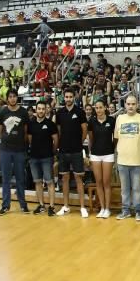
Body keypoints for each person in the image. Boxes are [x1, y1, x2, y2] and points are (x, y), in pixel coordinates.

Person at [114, 94, 140, 221]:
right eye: (128, 104)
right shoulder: (119, 118)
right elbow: (116, 138)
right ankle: (125, 211)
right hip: (122, 159)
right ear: (125, 105)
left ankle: (138, 211)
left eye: (133, 104)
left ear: (137, 105)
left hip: (138, 160)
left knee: (136, 188)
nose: (131, 106)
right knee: (124, 188)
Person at [56, 88, 89, 218]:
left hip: (76, 151)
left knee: (78, 178)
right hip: (63, 151)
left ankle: (82, 207)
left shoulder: (80, 112)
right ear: (63, 98)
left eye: (70, 97)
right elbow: (58, 132)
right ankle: (65, 206)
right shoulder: (59, 113)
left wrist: (78, 143)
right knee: (64, 178)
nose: (68, 99)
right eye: (66, 97)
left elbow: (84, 131)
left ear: (74, 98)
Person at [0, 90, 30, 215]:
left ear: (17, 97)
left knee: (20, 178)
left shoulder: (23, 112)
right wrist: (6, 140)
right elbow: (0, 131)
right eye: (10, 97)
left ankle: (23, 204)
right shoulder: (3, 111)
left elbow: (26, 132)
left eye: (14, 96)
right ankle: (5, 205)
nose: (12, 99)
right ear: (7, 99)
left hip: (19, 150)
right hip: (5, 150)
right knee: (6, 179)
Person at [28, 101, 58, 216]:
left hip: (47, 157)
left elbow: (55, 140)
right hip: (34, 158)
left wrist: (52, 152)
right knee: (38, 182)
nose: (41, 111)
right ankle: (41, 205)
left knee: (50, 182)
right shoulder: (31, 123)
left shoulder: (50, 124)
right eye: (39, 109)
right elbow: (30, 139)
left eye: (43, 109)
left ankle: (51, 206)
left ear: (46, 110)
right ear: (36, 110)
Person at [88, 99, 115, 219]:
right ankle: (102, 208)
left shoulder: (112, 120)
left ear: (105, 108)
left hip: (108, 154)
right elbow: (91, 138)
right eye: (96, 108)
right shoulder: (92, 121)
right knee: (98, 181)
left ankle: (108, 209)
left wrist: (111, 148)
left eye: (100, 107)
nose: (98, 110)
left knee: (106, 182)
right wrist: (91, 152)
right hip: (95, 154)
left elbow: (116, 138)